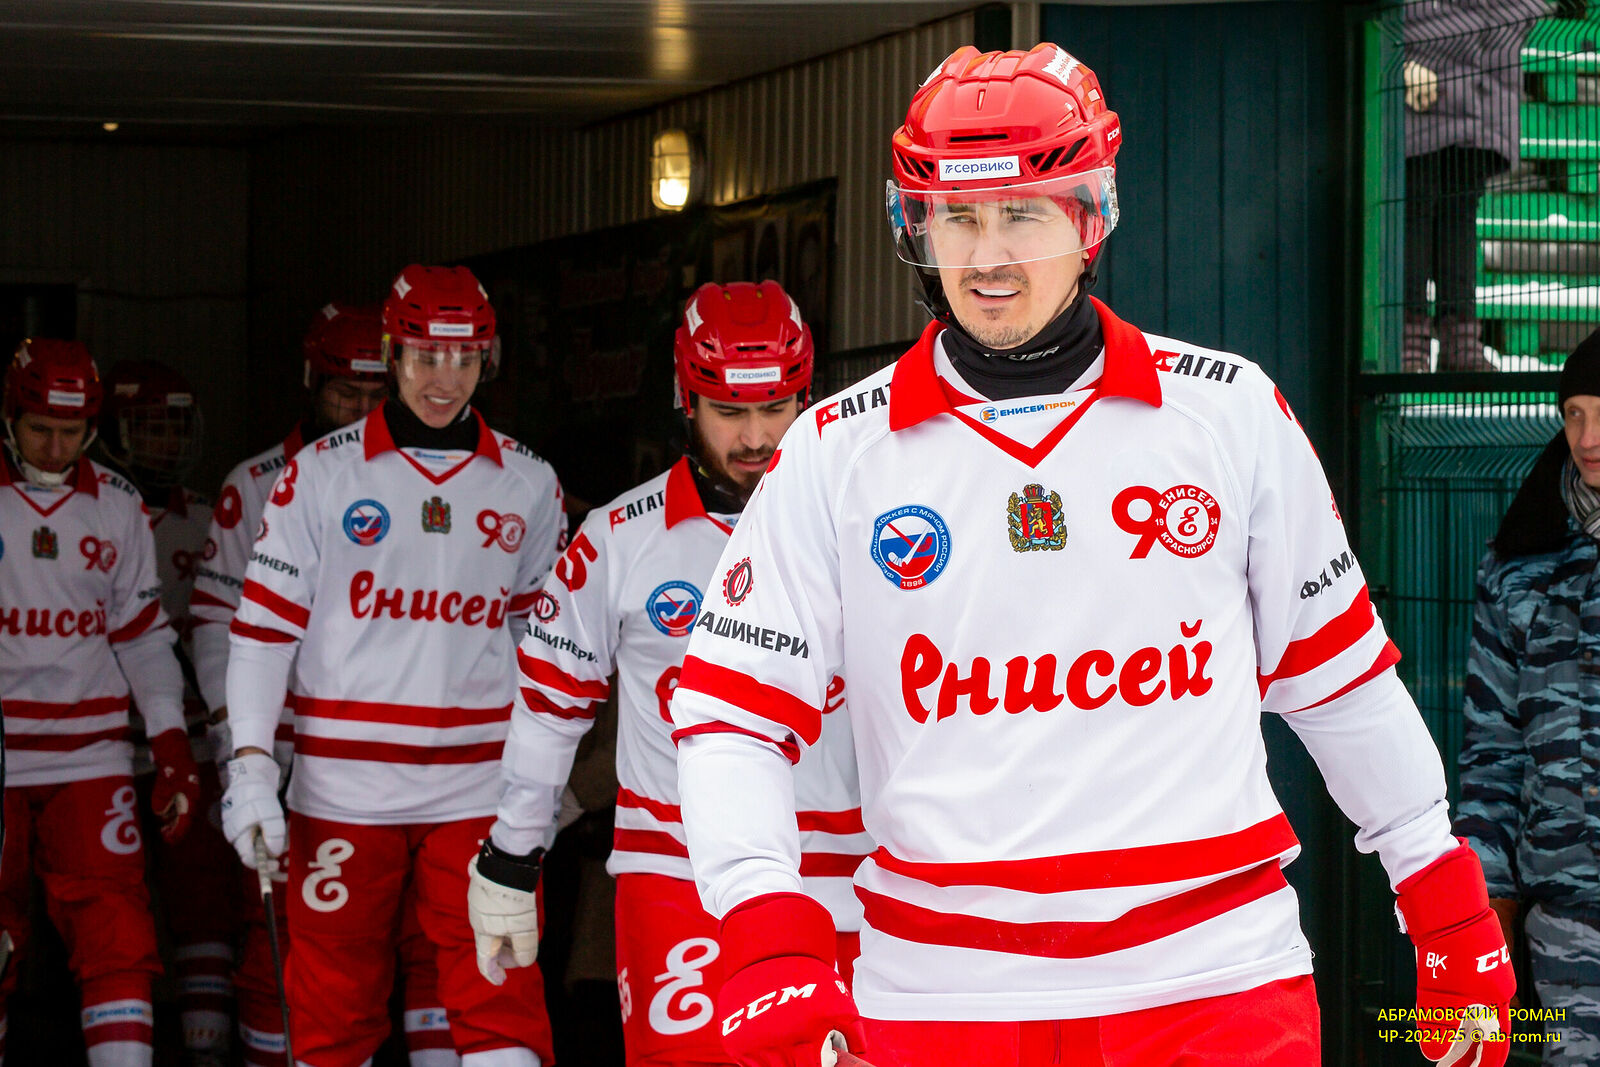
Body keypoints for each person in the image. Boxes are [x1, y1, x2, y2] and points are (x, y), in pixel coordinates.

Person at [667, 43, 1515, 1067]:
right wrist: (763, 920)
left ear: (1091, 218)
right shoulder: (833, 452)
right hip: (943, 1006)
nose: (986, 257)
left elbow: (1339, 680)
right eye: (955, 218)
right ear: (916, 226)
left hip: (1217, 990)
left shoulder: (1229, 412)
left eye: (1022, 213)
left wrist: (1442, 895)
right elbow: (730, 713)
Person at [467, 281, 871, 1066]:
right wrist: (512, 855)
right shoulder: (619, 538)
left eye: (775, 407)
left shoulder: (869, 525)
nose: (755, 436)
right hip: (675, 876)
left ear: (807, 397)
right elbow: (550, 707)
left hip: (846, 880)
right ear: (685, 400)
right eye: (728, 410)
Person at [218, 264, 565, 1066]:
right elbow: (262, 631)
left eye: (465, 358)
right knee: (332, 1010)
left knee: (499, 993)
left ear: (488, 357)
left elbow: (544, 651)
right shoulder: (319, 473)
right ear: (391, 352)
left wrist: (539, 782)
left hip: (477, 788)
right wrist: (250, 764)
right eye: (425, 356)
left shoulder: (530, 481)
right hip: (344, 790)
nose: (446, 379)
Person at [188, 302, 413, 1067]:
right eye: (344, 393)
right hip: (280, 754)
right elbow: (214, 622)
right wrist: (239, 744)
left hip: (386, 758)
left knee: (405, 942)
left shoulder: (430, 486)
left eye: (375, 394)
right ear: (310, 383)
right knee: (275, 935)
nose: (359, 410)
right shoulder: (253, 483)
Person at [0, 339, 201, 1067]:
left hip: (91, 757)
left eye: (71, 432)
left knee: (119, 938)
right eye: (39, 430)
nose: (56, 449)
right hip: (2, 753)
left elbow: (142, 634)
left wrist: (171, 743)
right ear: (9, 416)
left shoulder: (117, 504)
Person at [1458, 327, 1600, 1063]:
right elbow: (1492, 750)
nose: (1588, 437)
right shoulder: (1521, 560)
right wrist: (1487, 906)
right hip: (1567, 925)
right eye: (1574, 413)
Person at [99, 359, 241, 1066]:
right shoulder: (100, 511)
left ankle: (204, 1044)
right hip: (100, 744)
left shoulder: (214, 515)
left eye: (175, 427)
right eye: (150, 428)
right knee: (106, 903)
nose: (165, 443)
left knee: (202, 892)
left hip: (191, 738)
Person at [1402, 0, 1547, 372]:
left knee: (1457, 218)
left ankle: (1459, 342)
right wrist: (1401, 60)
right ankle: (1411, 341)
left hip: (1483, 95)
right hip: (1421, 91)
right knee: (1414, 213)